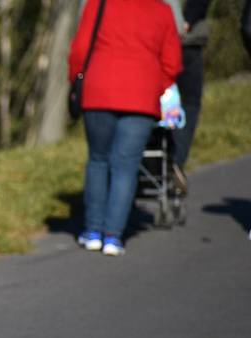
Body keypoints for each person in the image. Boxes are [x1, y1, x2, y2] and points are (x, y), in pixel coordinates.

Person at [69, 0, 182, 256]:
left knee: (98, 159)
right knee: (126, 166)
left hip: (99, 91)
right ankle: (113, 236)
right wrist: (156, 84)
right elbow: (173, 62)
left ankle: (93, 231)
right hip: (141, 96)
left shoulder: (99, 4)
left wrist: (75, 80)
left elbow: (80, 50)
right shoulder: (162, 11)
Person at [169, 0, 212, 192]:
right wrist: (187, 20)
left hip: (149, 38)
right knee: (188, 103)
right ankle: (175, 160)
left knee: (161, 99)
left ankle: (160, 158)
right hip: (186, 40)